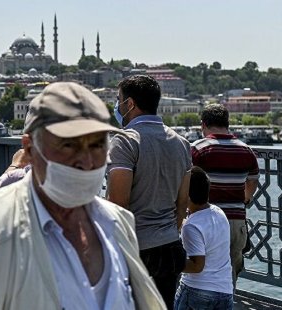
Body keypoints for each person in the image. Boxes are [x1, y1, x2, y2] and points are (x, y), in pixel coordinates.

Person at [0, 82, 165, 309]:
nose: (87, 161)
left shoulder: (117, 222)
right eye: (69, 145)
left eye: (97, 145)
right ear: (29, 148)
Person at [107, 74, 191, 308]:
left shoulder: (125, 141)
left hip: (136, 250)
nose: (117, 105)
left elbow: (118, 204)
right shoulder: (181, 143)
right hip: (170, 247)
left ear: (130, 104)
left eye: (119, 99)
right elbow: (182, 203)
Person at [191, 103, 259, 288]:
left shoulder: (198, 149)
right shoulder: (246, 150)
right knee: (229, 276)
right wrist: (244, 198)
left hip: (206, 220)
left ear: (203, 124)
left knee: (202, 275)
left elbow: (185, 182)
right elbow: (252, 181)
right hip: (236, 221)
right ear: (227, 124)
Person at [174, 166, 234, 310]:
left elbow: (197, 266)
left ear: (186, 195)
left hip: (197, 291)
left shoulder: (191, 226)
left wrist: (172, 264)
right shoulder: (219, 212)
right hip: (224, 291)